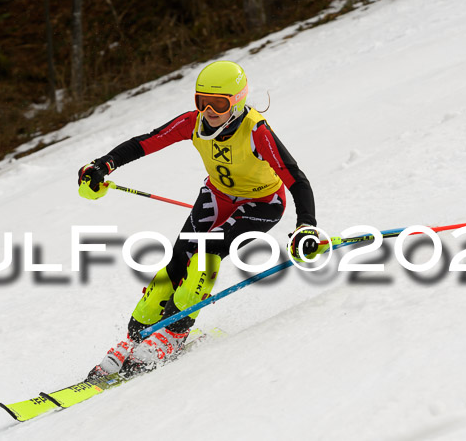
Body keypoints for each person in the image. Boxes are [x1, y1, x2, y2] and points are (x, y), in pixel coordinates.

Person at [78, 60, 323, 380]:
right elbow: (147, 142)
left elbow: (297, 179)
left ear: (236, 101)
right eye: (201, 101)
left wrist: (306, 223)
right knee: (177, 260)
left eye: (218, 103)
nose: (208, 110)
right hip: (217, 196)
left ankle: (174, 334)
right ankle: (137, 335)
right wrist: (104, 165)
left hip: (261, 204)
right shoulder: (193, 123)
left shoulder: (256, 130)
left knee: (206, 253)